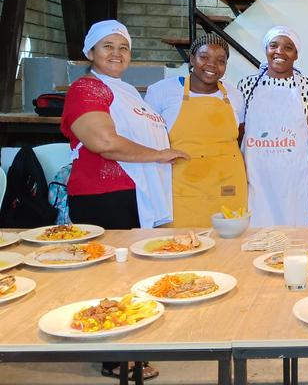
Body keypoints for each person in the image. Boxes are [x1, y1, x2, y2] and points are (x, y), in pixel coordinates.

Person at [60, 20, 188, 381]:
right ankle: (114, 356)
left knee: (132, 273)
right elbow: (104, 142)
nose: (116, 53)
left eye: (123, 47)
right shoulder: (88, 88)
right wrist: (159, 155)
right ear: (90, 52)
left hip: (133, 195)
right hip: (104, 194)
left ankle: (128, 346)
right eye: (107, 46)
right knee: (110, 277)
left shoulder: (126, 91)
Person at [145, 33, 247, 227]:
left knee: (228, 246)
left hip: (228, 184)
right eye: (204, 57)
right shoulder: (162, 91)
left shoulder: (234, 95)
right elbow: (148, 137)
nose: (212, 65)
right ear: (192, 59)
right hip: (182, 186)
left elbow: (239, 137)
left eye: (220, 60)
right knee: (179, 245)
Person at [237, 26, 308, 226]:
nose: (279, 52)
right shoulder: (246, 85)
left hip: (295, 178)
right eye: (273, 46)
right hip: (257, 177)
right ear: (266, 50)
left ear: (296, 54)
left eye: (288, 47)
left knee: (295, 232)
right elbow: (239, 131)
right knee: (256, 231)